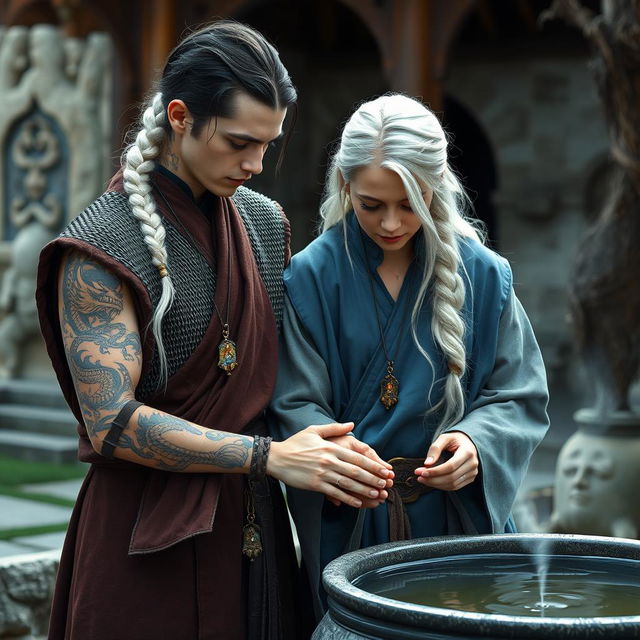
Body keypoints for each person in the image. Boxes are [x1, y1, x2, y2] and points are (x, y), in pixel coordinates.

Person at [35, 22, 393, 640]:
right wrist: (268, 457)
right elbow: (112, 422)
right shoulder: (100, 247)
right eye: (237, 143)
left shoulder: (264, 223)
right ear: (180, 116)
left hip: (252, 534)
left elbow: (294, 372)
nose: (255, 165)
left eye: (267, 146)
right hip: (139, 541)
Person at [270, 93, 550, 619]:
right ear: (345, 186)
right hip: (353, 524)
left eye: (411, 203)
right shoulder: (311, 276)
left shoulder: (484, 275)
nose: (392, 223)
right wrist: (338, 460)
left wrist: (476, 442)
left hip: (457, 525)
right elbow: (294, 401)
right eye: (371, 204)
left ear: (436, 189)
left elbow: (519, 394)